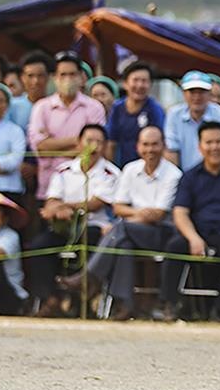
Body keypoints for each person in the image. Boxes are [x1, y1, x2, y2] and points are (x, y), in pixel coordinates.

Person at [58, 125, 182, 321]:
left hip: (160, 233)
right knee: (122, 243)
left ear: (163, 146)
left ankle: (89, 275)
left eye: (155, 144)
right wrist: (139, 214)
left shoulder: (173, 174)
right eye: (145, 144)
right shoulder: (131, 169)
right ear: (138, 147)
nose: (150, 149)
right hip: (131, 230)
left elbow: (158, 215)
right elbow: (117, 207)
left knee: (119, 228)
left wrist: (130, 216)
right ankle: (125, 305)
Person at [157, 121, 220, 323]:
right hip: (198, 233)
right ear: (200, 146)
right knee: (174, 246)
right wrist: (193, 238)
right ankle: (170, 305)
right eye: (209, 142)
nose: (214, 147)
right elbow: (180, 211)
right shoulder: (190, 176)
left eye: (219, 142)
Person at [24, 124, 119, 315]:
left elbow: (95, 203)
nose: (93, 146)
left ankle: (83, 300)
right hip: (64, 226)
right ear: (79, 143)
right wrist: (53, 209)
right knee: (37, 247)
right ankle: (50, 298)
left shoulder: (111, 172)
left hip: (93, 225)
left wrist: (64, 207)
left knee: (90, 243)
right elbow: (52, 198)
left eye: (99, 142)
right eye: (89, 141)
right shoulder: (63, 170)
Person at [27, 51, 107, 203]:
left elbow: (94, 148)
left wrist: (53, 146)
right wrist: (78, 140)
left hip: (84, 190)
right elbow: (40, 147)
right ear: (54, 78)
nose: (68, 79)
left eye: (72, 74)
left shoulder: (94, 107)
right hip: (48, 188)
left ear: (81, 77)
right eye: (63, 74)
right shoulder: (42, 107)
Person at [165, 71, 220, 170]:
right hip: (182, 177)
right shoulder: (174, 114)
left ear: (209, 93)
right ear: (184, 93)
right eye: (192, 91)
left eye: (201, 91)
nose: (197, 96)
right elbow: (171, 150)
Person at [106, 62, 166, 167]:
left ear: (150, 85)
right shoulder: (117, 108)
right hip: (121, 169)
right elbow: (111, 143)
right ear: (125, 83)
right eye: (135, 80)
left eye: (144, 81)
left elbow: (160, 144)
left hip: (147, 168)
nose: (139, 85)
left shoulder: (155, 110)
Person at [10, 51, 52, 131]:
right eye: (30, 76)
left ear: (48, 77)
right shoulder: (12, 106)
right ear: (22, 78)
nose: (35, 81)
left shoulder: (56, 106)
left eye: (40, 75)